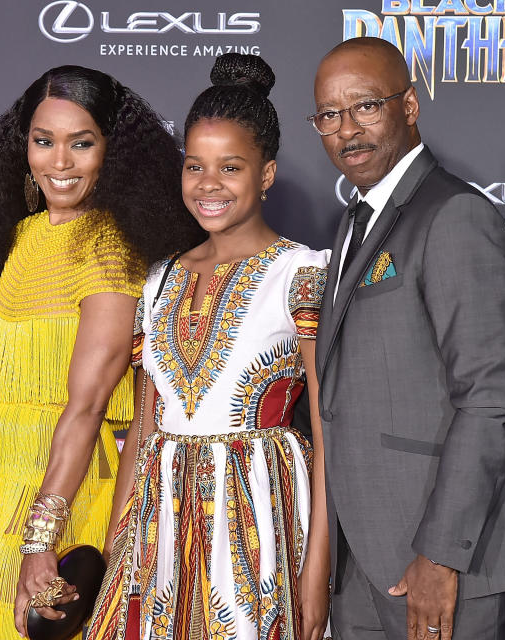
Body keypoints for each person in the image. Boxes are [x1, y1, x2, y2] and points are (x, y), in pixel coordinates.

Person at [0, 66, 204, 639]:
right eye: (44, 141)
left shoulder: (111, 249)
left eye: (82, 143)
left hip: (62, 495)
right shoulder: (25, 235)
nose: (59, 163)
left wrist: (41, 543)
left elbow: (85, 409)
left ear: (113, 153)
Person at [303, 37, 505, 640]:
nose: (346, 130)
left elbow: (491, 398)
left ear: (409, 105)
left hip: (441, 562)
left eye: (365, 106)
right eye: (329, 115)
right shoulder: (360, 217)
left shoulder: (454, 215)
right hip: (360, 557)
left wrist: (439, 557)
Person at [87, 53, 331, 640]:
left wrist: (316, 569)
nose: (208, 185)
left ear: (266, 175)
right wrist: (120, 543)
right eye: (195, 166)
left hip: (261, 526)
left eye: (231, 167)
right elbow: (145, 425)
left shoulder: (303, 272)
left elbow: (328, 433)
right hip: (159, 525)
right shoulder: (160, 278)